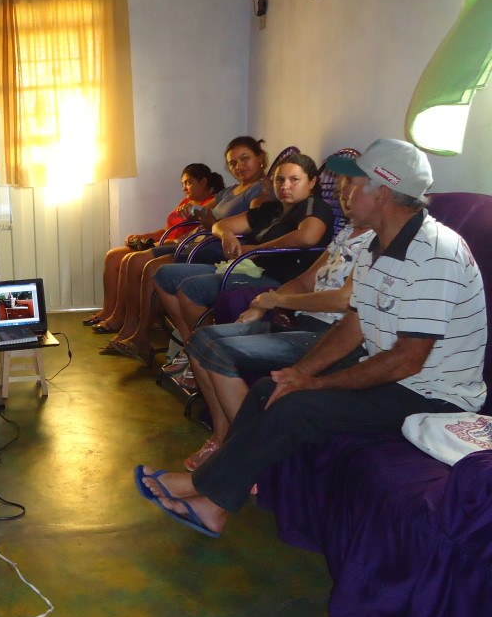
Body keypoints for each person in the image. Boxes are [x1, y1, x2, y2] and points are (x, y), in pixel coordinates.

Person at [136, 139, 487, 537]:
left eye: (355, 184)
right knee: (271, 388)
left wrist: (315, 383)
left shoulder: (435, 254)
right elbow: (354, 325)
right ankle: (215, 504)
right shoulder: (377, 245)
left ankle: (204, 491)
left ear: (384, 193)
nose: (343, 194)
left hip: (432, 394)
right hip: (395, 375)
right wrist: (298, 373)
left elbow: (409, 359)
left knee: (298, 406)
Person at [180, 175, 371, 469]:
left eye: (353, 186)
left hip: (331, 336)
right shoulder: (347, 231)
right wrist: (261, 305)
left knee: (218, 351)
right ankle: (222, 436)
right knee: (199, 342)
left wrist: (279, 301)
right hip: (303, 322)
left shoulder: (378, 240)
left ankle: (246, 454)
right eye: (343, 186)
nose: (345, 193)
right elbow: (306, 279)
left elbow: (344, 301)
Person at [153, 152, 334, 378]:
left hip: (279, 278)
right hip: (248, 267)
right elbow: (221, 225)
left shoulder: (313, 206)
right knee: (163, 274)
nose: (285, 186)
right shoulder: (272, 209)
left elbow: (308, 236)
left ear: (312, 182)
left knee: (190, 287)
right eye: (279, 180)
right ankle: (192, 347)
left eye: (294, 180)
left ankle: (196, 355)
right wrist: (226, 235)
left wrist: (257, 249)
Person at [101, 137, 272, 358]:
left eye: (244, 159)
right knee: (133, 260)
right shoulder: (229, 191)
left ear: (261, 158)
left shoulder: (263, 189)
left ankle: (142, 337)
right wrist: (192, 211)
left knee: (151, 267)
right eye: (232, 163)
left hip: (216, 249)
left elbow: (255, 219)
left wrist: (208, 219)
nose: (238, 166)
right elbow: (204, 213)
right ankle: (130, 329)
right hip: (196, 242)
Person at [84, 163, 224, 331]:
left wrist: (159, 243)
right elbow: (167, 230)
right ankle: (108, 310)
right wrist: (143, 237)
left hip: (176, 247)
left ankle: (120, 317)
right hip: (162, 243)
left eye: (188, 183)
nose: (184, 188)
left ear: (203, 182)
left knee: (129, 260)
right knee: (113, 256)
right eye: (182, 184)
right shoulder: (186, 202)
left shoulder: (208, 207)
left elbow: (191, 236)